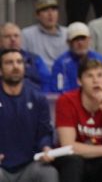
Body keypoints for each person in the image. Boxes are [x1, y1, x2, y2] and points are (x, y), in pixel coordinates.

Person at [0, 48, 57, 182]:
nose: (15, 66)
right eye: (9, 63)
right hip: (2, 166)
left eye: (19, 62)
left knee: (48, 173)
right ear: (0, 70)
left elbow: (44, 132)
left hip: (30, 164)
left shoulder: (38, 98)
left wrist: (46, 147)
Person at [50, 23, 102, 93]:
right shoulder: (60, 63)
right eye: (76, 39)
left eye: (83, 38)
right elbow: (58, 89)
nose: (80, 43)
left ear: (89, 40)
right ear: (68, 42)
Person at [22, 0, 67, 68]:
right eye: (45, 10)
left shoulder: (67, 33)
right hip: (37, 77)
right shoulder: (27, 34)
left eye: (54, 10)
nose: (50, 14)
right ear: (37, 15)